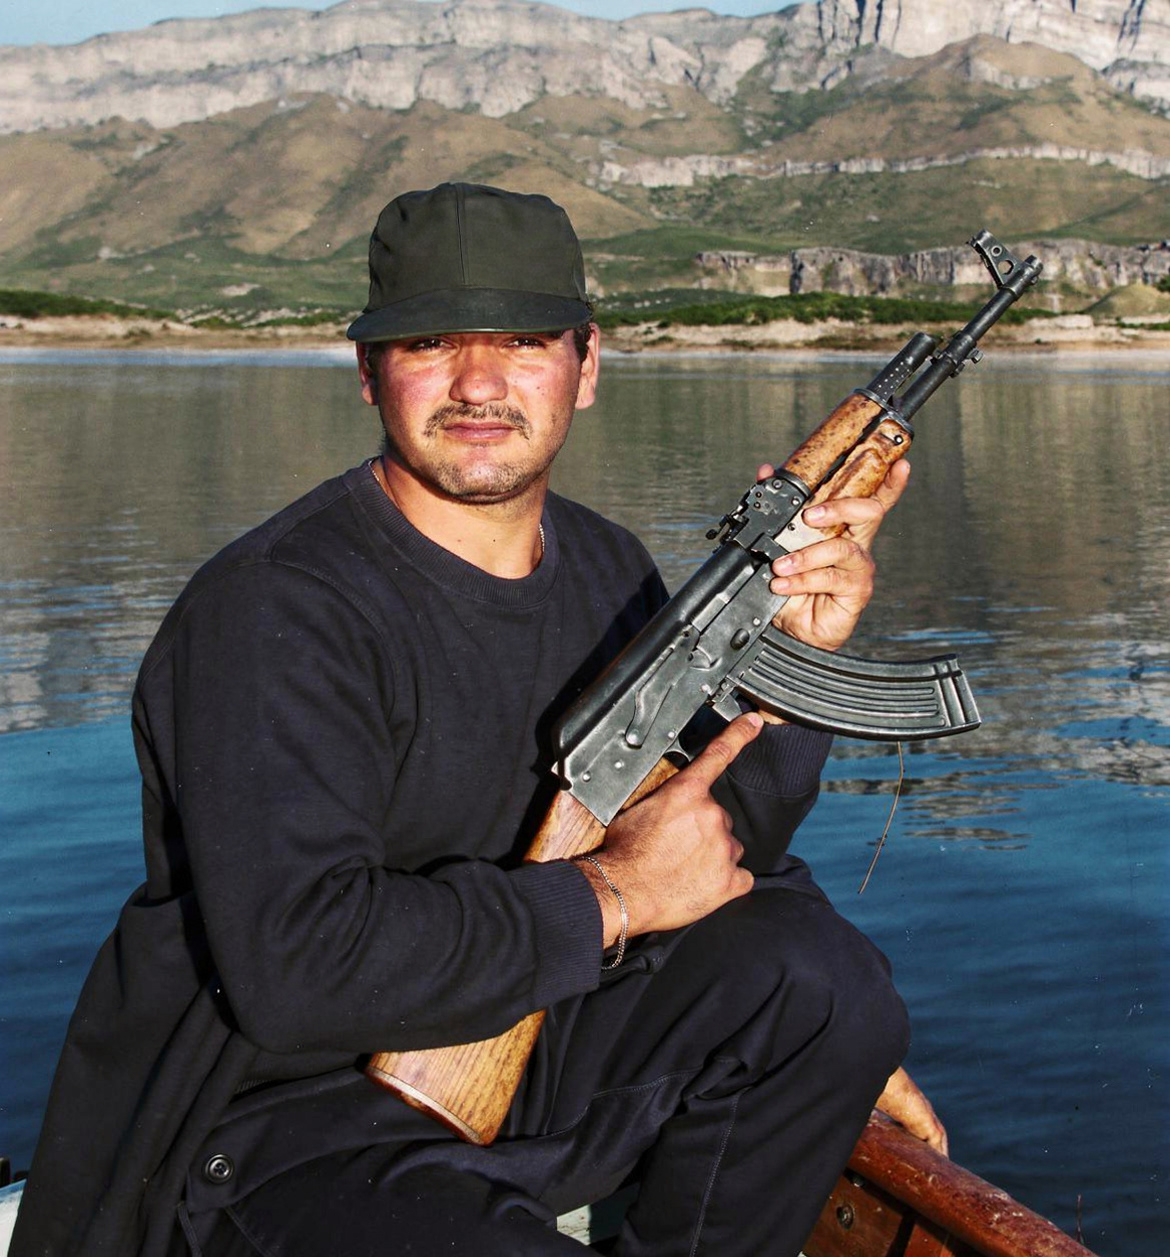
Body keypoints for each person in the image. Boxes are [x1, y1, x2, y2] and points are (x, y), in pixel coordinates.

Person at [12, 182, 943, 1257]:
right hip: (275, 1127)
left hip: (526, 1037)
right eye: (430, 343)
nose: (479, 384)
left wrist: (791, 657)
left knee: (827, 984)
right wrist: (612, 893)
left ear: (586, 366)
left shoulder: (608, 569)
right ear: (369, 371)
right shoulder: (273, 609)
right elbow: (298, 967)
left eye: (524, 342)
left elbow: (712, 840)